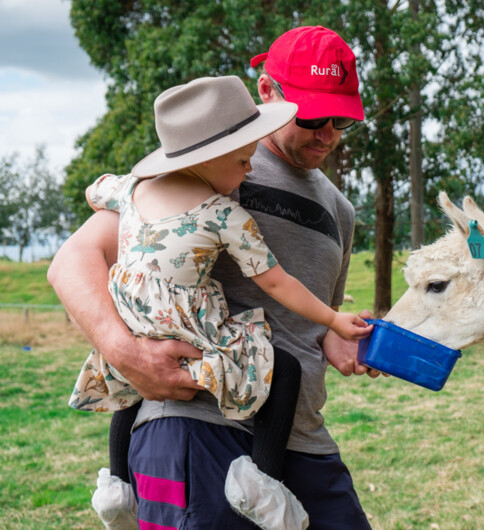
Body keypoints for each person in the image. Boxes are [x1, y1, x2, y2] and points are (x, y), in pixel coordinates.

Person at [49, 26, 380, 530]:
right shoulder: (200, 170)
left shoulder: (340, 209)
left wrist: (342, 337)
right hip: (197, 428)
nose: (328, 134)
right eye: (314, 117)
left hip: (299, 438)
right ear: (268, 93)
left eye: (342, 120)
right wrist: (126, 352)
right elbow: (72, 260)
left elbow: (313, 324)